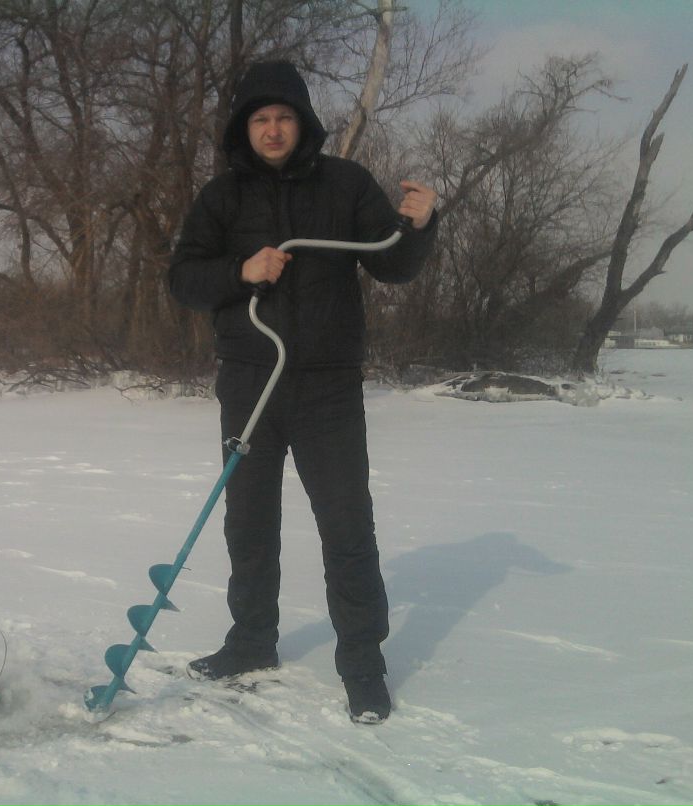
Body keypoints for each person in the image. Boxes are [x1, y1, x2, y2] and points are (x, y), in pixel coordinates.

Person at [168, 61, 437, 724]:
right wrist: (242, 269)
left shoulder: (345, 184)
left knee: (347, 525)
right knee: (249, 522)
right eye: (260, 119)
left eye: (284, 117)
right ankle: (251, 643)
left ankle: (363, 664)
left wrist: (419, 226)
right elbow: (184, 280)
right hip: (249, 381)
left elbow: (393, 264)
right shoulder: (222, 198)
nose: (273, 129)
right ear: (244, 127)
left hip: (327, 386)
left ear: (303, 121)